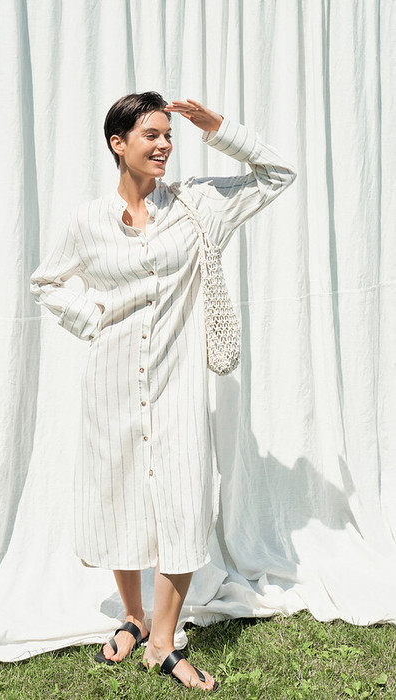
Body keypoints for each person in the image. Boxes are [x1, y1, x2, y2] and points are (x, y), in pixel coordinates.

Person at [30, 92, 297, 692]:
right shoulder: (87, 222)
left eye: (169, 135)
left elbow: (278, 174)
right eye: (151, 134)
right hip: (111, 383)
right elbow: (46, 282)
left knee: (183, 503)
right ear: (117, 143)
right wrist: (93, 318)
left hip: (177, 385)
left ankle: (162, 641)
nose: (165, 145)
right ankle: (133, 616)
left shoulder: (197, 205)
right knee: (121, 499)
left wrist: (217, 128)